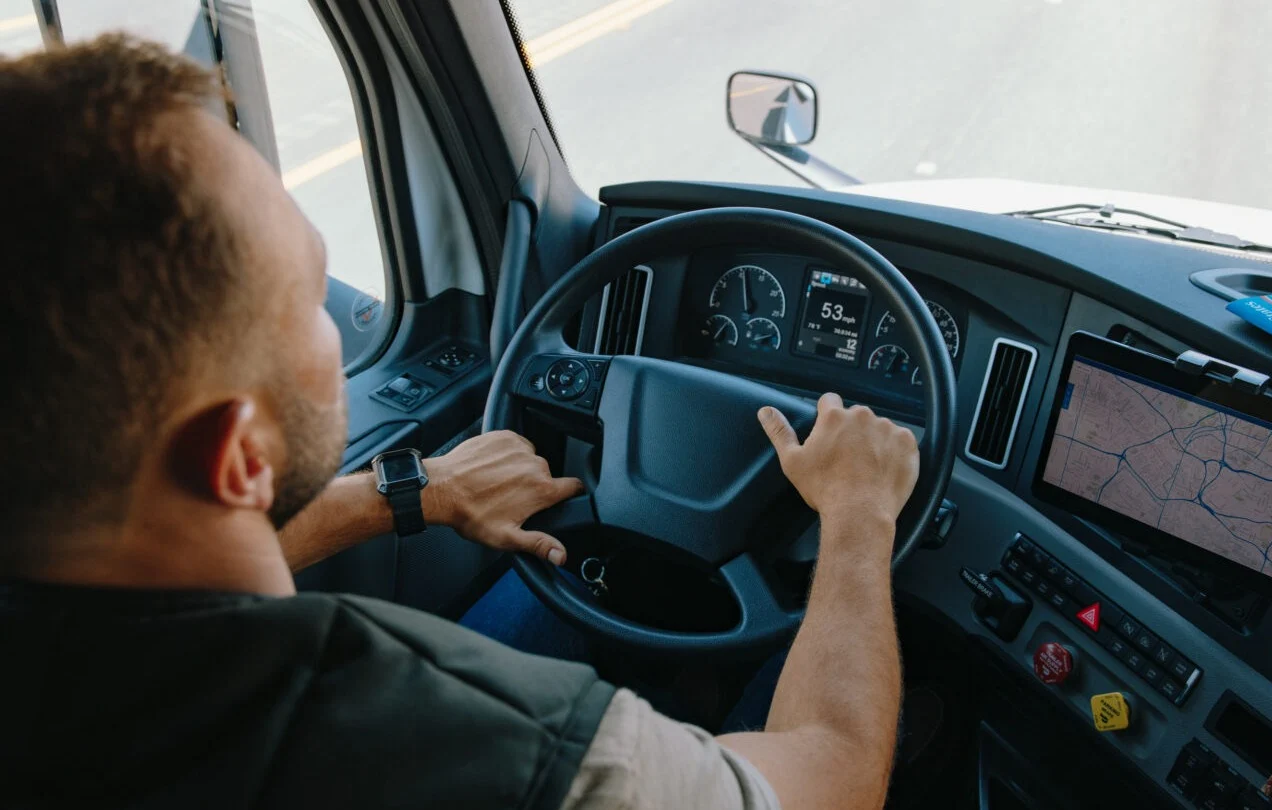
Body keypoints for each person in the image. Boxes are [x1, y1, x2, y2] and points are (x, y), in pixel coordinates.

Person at [0, 36, 919, 810]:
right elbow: (831, 779)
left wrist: (409, 492)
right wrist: (857, 516)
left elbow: (157, 550)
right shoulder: (478, 745)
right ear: (240, 458)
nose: (338, 318)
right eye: (311, 301)